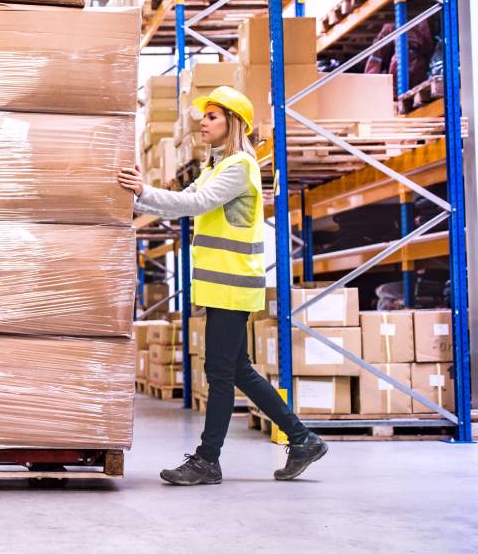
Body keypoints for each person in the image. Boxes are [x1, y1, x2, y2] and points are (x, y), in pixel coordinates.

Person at [117, 86, 328, 485]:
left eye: (212, 116)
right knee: (239, 370)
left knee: (219, 373)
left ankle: (207, 460)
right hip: (220, 284)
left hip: (232, 283)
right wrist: (136, 198)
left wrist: (142, 192)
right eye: (204, 116)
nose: (202, 122)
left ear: (233, 122)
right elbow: (181, 200)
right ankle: (303, 440)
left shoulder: (240, 166)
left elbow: (197, 205)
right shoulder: (215, 167)